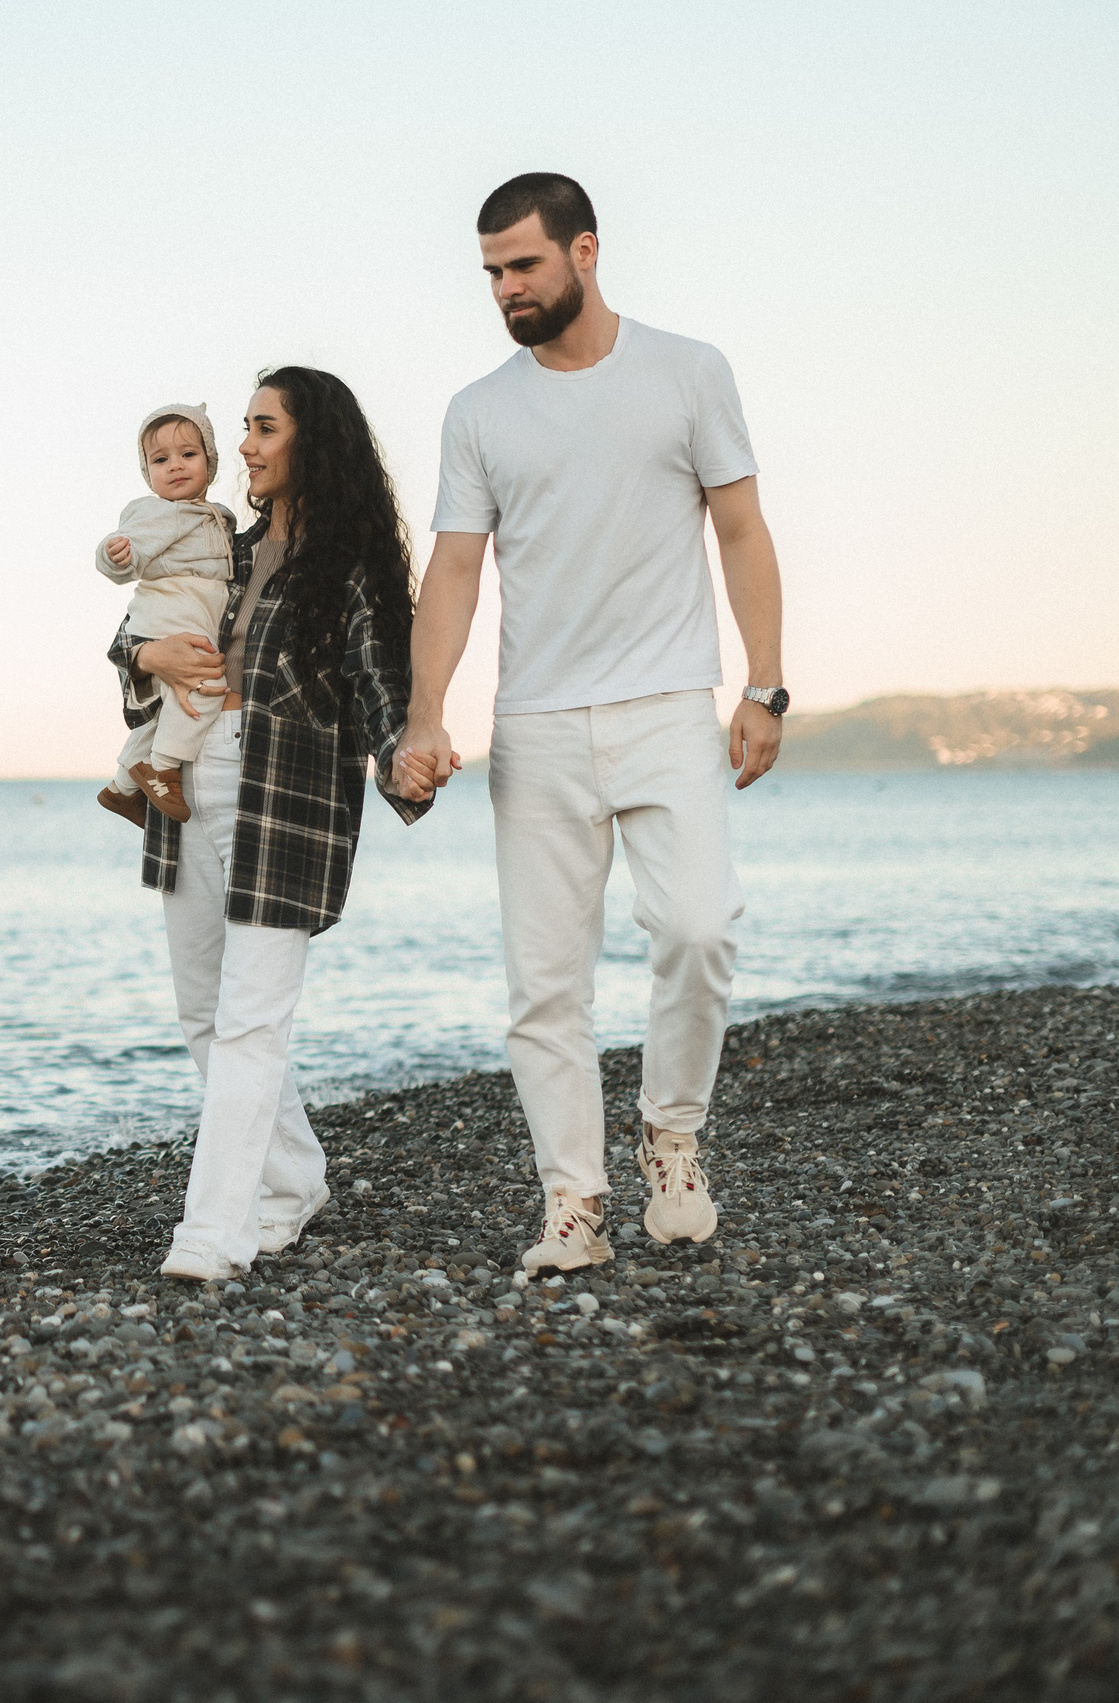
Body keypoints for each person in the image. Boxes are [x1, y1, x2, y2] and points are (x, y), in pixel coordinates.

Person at [394, 173, 787, 1275]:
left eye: (522, 265)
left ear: (586, 251)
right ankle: (573, 1198)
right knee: (546, 985)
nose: (505, 288)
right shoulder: (478, 410)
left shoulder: (687, 371)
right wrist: (426, 712)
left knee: (701, 928)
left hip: (669, 705)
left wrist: (765, 684)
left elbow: (742, 530)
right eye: (490, 273)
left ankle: (673, 1131)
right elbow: (456, 568)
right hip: (538, 724)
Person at [117, 368, 433, 1283]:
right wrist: (147, 652)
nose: (245, 446)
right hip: (187, 784)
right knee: (203, 1016)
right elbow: (135, 634)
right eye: (245, 428)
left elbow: (382, 685)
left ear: (312, 441)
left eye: (263, 427)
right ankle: (293, 1184)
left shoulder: (350, 561)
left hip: (282, 793)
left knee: (251, 1022)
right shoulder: (219, 544)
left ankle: (212, 1236)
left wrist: (409, 760)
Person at [95, 405, 238, 827]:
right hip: (167, 612)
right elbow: (125, 552)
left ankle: (122, 788)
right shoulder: (154, 512)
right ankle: (163, 767)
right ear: (148, 473)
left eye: (188, 455)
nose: (175, 466)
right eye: (160, 460)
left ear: (210, 462)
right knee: (208, 681)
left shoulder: (219, 518)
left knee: (163, 708)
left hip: (190, 613)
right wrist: (114, 555)